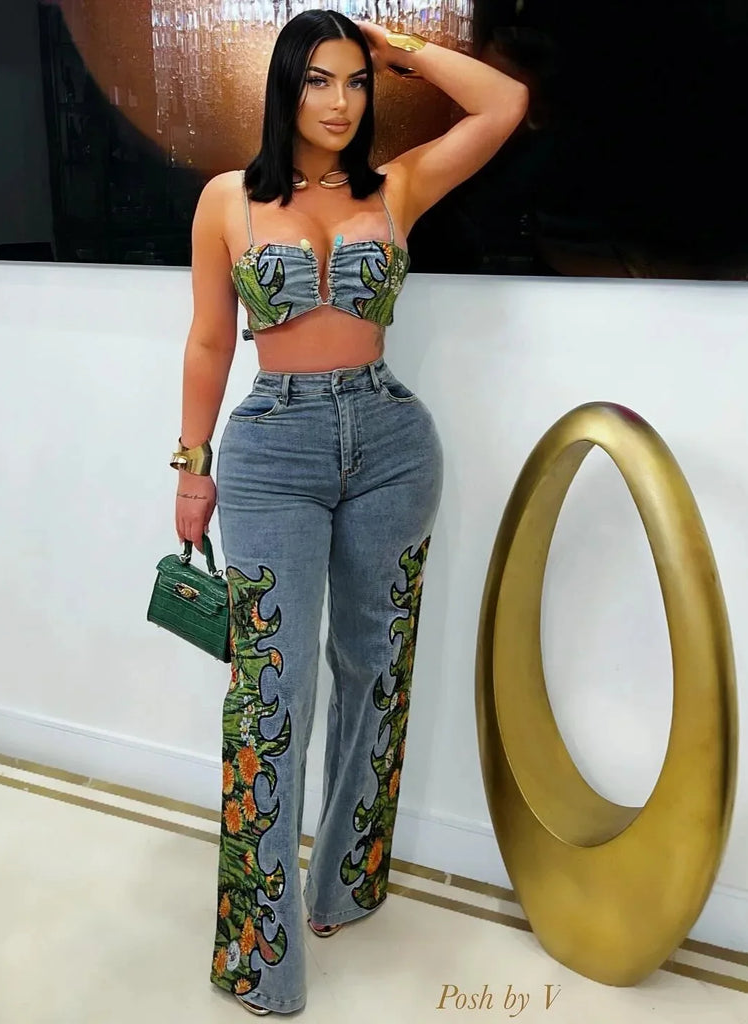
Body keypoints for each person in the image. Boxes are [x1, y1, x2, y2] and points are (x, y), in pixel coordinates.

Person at [171, 10, 527, 1015]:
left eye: (353, 82)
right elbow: (209, 341)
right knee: (268, 695)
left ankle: (346, 881)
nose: (339, 102)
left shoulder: (395, 186)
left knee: (375, 669)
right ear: (284, 88)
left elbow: (504, 105)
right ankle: (259, 949)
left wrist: (396, 46)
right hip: (271, 451)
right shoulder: (226, 200)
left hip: (390, 444)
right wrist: (192, 465)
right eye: (319, 80)